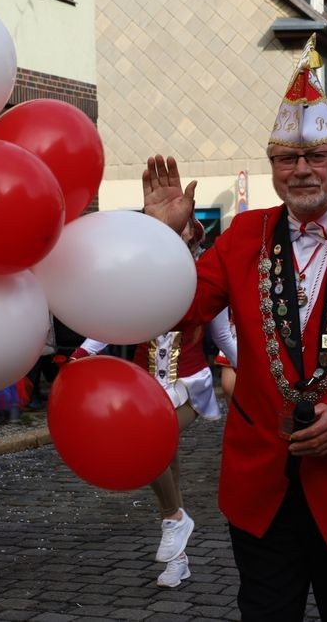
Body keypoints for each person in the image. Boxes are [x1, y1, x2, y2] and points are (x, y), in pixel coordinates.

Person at [140, 35, 327, 620]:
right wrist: (162, 238)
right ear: (273, 166)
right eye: (287, 158)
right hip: (263, 488)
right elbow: (175, 311)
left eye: (316, 157)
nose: (302, 169)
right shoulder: (240, 238)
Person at [71, 221, 236, 589]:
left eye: (179, 236)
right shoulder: (140, 280)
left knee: (147, 448)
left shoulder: (204, 285)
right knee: (167, 466)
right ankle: (178, 559)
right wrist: (82, 352)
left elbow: (223, 334)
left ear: (192, 241)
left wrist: (258, 369)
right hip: (145, 388)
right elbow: (112, 323)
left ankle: (174, 517)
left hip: (189, 387)